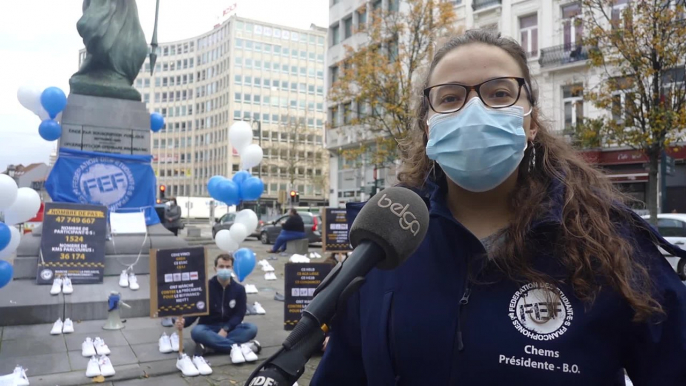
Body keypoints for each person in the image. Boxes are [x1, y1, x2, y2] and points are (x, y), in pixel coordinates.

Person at [312, 30, 686, 385]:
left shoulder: (611, 245)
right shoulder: (385, 245)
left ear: (532, 123)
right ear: (428, 126)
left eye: (500, 93)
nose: (474, 110)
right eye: (450, 98)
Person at [175, 254, 257, 356]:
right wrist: (184, 322)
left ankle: (211, 347)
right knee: (196, 331)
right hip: (208, 327)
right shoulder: (205, 288)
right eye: (221, 267)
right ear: (215, 268)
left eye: (228, 267)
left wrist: (225, 329)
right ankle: (241, 348)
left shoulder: (239, 290)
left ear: (232, 268)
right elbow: (196, 310)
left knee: (251, 328)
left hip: (230, 328)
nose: (224, 269)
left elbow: (239, 314)